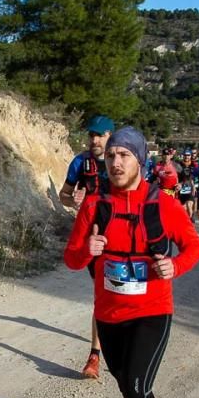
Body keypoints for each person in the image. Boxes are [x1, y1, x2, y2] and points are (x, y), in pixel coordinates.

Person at [64, 126, 199, 398]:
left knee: (138, 386)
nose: (115, 162)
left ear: (140, 161)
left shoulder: (163, 205)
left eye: (124, 155)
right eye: (111, 156)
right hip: (110, 314)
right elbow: (71, 259)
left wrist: (176, 266)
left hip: (152, 310)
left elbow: (193, 247)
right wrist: (87, 250)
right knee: (127, 386)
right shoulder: (94, 205)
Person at [58, 115, 113, 379]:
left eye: (99, 135)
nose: (94, 140)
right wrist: (73, 200)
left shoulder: (122, 160)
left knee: (121, 291)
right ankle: (95, 354)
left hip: (122, 236)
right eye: (91, 134)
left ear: (110, 136)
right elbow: (63, 195)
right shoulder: (81, 162)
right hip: (92, 237)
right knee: (102, 294)